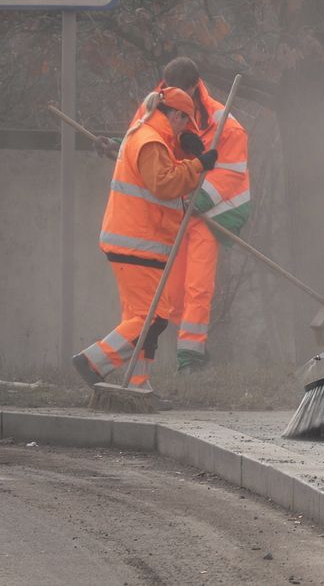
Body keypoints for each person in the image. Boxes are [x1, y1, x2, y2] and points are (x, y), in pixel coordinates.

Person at [71, 88, 218, 390]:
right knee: (154, 317)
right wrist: (199, 165)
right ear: (175, 115)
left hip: (137, 242)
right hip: (136, 243)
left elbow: (165, 169)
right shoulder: (150, 141)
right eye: (185, 122)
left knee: (144, 318)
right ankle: (94, 361)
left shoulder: (149, 136)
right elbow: (163, 184)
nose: (185, 128)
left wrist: (190, 152)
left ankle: (138, 385)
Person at [130, 57, 253, 372]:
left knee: (198, 285)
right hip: (175, 209)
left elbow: (231, 172)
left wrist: (199, 200)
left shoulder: (225, 123)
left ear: (195, 87)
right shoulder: (155, 105)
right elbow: (139, 143)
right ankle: (188, 349)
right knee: (173, 289)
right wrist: (116, 146)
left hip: (208, 213)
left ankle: (191, 359)